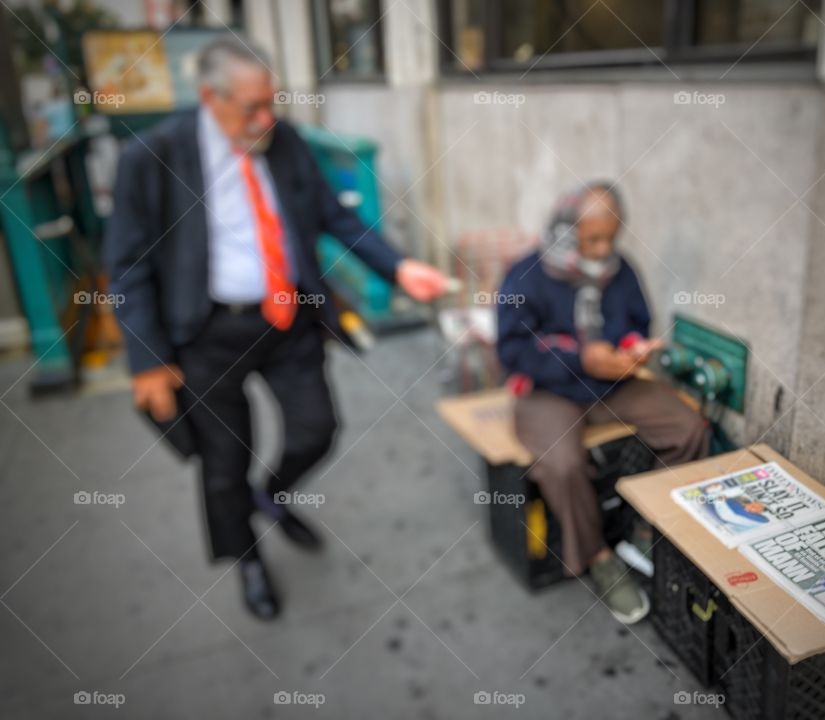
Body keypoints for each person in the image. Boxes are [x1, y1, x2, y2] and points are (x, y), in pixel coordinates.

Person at [105, 35, 449, 620]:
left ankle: (272, 494)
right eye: (251, 108)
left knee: (318, 429)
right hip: (206, 332)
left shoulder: (282, 140)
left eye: (273, 103)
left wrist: (397, 267)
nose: (267, 119)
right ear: (210, 98)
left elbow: (333, 214)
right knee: (222, 465)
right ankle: (248, 559)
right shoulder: (153, 156)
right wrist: (146, 359)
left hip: (288, 320)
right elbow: (128, 265)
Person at [496, 183, 711, 624]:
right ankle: (598, 557)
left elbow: (635, 322)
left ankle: (649, 526)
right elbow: (513, 349)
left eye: (611, 238)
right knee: (562, 465)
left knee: (689, 429)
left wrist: (631, 349)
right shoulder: (526, 275)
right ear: (564, 230)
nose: (602, 249)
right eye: (591, 239)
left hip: (611, 384)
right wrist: (580, 358)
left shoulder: (621, 270)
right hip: (548, 389)